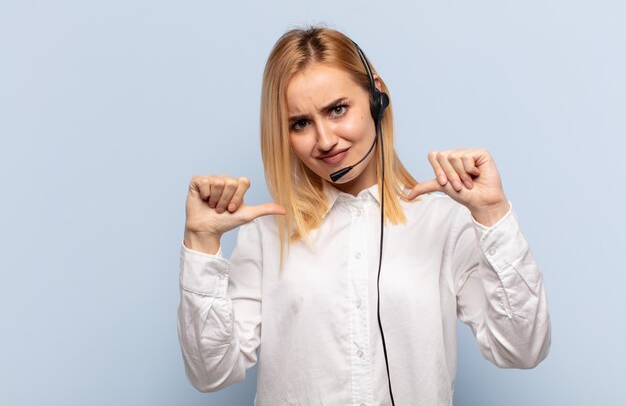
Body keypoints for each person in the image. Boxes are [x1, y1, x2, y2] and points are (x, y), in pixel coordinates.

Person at [177, 27, 551, 406]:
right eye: (300, 123)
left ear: (377, 98)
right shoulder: (264, 234)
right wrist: (201, 246)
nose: (324, 140)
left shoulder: (444, 222)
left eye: (337, 109)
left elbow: (522, 350)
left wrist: (492, 214)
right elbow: (212, 374)